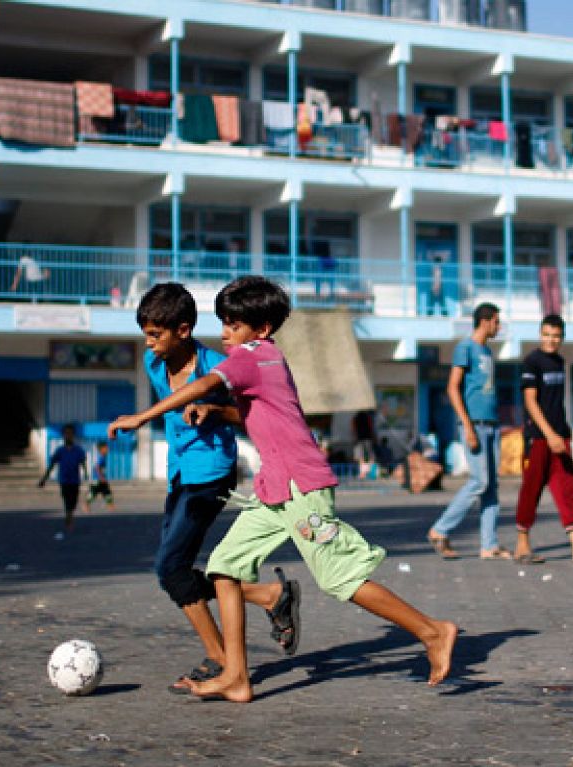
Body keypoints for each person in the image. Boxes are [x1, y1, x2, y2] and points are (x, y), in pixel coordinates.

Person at [110, 276, 458, 702]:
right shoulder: (265, 358)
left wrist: (141, 417)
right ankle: (237, 676)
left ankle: (432, 631)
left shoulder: (250, 357)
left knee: (339, 579)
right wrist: (217, 410)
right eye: (223, 323)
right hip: (274, 488)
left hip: (301, 488)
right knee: (224, 567)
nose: (225, 334)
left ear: (262, 330)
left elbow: (199, 386)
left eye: (234, 326)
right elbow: (253, 411)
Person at [136, 282, 298, 694]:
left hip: (213, 474)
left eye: (156, 335)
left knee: (171, 568)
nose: (149, 343)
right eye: (146, 334)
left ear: (184, 330)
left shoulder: (217, 365)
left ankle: (222, 660)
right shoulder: (153, 365)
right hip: (180, 473)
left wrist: (214, 410)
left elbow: (253, 416)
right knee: (170, 570)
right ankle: (267, 594)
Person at [513, 315, 573, 564]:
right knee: (531, 489)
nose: (551, 340)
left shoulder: (559, 362)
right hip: (539, 437)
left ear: (562, 338)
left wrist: (564, 431)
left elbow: (557, 402)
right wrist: (549, 434)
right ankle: (522, 544)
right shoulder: (531, 362)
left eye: (556, 336)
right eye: (546, 334)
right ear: (539, 334)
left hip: (560, 435)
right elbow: (531, 402)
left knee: (568, 488)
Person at [427, 303, 509, 560]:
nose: (499, 326)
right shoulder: (465, 348)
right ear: (484, 321)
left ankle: (489, 545)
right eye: (496, 321)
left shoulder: (487, 351)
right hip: (474, 425)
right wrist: (468, 426)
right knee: (479, 481)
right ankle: (440, 530)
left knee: (492, 486)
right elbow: (453, 388)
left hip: (492, 424)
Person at [37, 424, 87, 540]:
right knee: (67, 500)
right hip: (64, 480)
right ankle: (69, 519)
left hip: (75, 480)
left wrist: (86, 474)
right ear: (63, 435)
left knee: (73, 502)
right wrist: (44, 479)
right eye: (66, 434)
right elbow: (52, 465)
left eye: (70, 434)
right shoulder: (60, 451)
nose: (68, 436)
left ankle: (69, 515)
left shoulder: (78, 450)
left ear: (73, 435)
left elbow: (82, 463)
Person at [85, 440, 115, 511]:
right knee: (93, 493)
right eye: (106, 448)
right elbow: (97, 467)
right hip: (97, 479)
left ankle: (110, 505)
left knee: (106, 491)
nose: (107, 449)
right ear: (101, 449)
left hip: (100, 478)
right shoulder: (101, 457)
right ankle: (86, 505)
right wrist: (101, 477)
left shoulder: (103, 457)